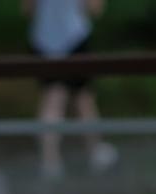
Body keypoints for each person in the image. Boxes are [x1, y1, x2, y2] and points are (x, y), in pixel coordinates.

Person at [25, 0, 119, 178]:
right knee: (83, 98)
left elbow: (28, 9)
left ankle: (49, 160)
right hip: (74, 37)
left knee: (52, 99)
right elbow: (95, 9)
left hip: (44, 39)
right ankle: (94, 150)